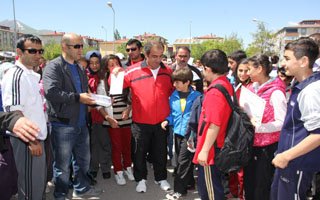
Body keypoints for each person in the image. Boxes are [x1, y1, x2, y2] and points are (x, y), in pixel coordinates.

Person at [43, 33, 102, 199]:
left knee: (83, 161)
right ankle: (61, 195)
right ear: (64, 47)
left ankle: (81, 189)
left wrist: (94, 100)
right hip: (63, 125)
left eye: (82, 46)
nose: (81, 50)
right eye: (77, 46)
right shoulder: (53, 66)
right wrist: (78, 97)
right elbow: (51, 92)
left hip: (82, 123)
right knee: (62, 166)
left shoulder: (80, 68)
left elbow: (83, 93)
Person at [119, 41, 173, 193]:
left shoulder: (168, 72)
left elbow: (172, 92)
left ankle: (161, 178)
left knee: (160, 152)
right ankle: (141, 179)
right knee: (139, 153)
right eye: (154, 56)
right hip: (140, 122)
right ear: (146, 55)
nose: (158, 60)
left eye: (160, 56)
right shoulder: (131, 71)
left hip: (161, 122)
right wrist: (115, 72)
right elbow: (116, 86)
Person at [271, 37, 320, 200]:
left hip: (297, 164)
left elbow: (318, 134)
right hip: (289, 163)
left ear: (303, 61)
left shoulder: (310, 91)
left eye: (287, 58)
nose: (283, 64)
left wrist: (287, 156)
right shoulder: (300, 86)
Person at [1, 34, 48, 200]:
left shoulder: (30, 74)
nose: (38, 54)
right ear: (19, 52)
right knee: (29, 188)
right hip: (26, 141)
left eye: (40, 51)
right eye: (32, 51)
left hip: (36, 138)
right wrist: (31, 141)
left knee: (37, 185)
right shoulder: (16, 75)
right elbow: (13, 111)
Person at [243, 54, 287, 200]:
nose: (247, 73)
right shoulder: (251, 88)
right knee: (250, 182)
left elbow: (282, 122)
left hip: (267, 147)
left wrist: (260, 127)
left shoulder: (275, 92)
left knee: (262, 185)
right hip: (252, 143)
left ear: (260, 69)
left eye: (249, 69)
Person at [192, 49, 233, 200]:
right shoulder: (225, 83)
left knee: (210, 192)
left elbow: (214, 124)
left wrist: (204, 151)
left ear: (207, 68)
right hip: (219, 145)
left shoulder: (215, 91)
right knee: (215, 186)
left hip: (212, 149)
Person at [162, 67, 201, 199]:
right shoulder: (173, 96)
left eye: (178, 82)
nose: (174, 85)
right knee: (183, 160)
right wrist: (167, 121)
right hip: (177, 133)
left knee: (182, 161)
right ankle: (189, 183)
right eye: (174, 82)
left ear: (187, 82)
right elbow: (172, 114)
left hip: (190, 134)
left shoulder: (198, 97)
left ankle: (179, 190)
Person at [99, 54, 134, 185]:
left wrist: (129, 109)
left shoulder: (126, 79)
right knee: (116, 147)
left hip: (126, 118)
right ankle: (118, 172)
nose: (115, 67)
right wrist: (108, 110)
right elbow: (98, 103)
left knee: (127, 146)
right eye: (111, 65)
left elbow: (133, 97)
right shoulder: (103, 82)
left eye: (117, 64)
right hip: (113, 120)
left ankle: (128, 167)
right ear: (107, 68)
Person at [85, 50, 112, 180]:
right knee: (93, 143)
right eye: (91, 63)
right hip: (90, 115)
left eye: (97, 63)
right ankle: (94, 167)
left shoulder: (105, 76)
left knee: (105, 143)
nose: (94, 66)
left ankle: (106, 167)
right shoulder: (84, 76)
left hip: (104, 113)